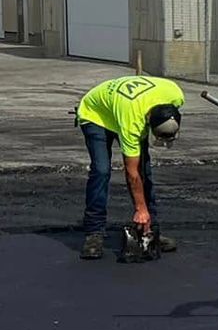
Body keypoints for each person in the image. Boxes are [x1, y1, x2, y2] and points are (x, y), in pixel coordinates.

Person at [76, 74, 184, 260]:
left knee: (145, 170)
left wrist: (145, 212)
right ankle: (94, 233)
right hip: (96, 114)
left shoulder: (175, 94)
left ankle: (150, 230)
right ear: (148, 119)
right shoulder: (132, 122)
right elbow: (131, 172)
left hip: (124, 106)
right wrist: (139, 209)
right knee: (101, 171)